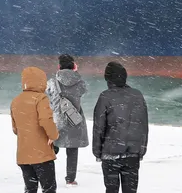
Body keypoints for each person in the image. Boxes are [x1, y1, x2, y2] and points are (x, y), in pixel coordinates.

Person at [92, 62, 148, 193]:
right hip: (132, 154)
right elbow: (143, 126)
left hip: (110, 154)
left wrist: (97, 151)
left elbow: (99, 127)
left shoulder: (105, 96)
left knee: (111, 189)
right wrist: (141, 149)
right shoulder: (137, 95)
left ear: (108, 78)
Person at [13, 66, 60, 193]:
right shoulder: (41, 98)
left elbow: (15, 129)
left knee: (30, 189)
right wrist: (54, 135)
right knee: (49, 188)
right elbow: (45, 120)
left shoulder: (16, 101)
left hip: (23, 155)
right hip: (41, 155)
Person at [46, 54, 88, 187]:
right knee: (72, 150)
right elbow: (83, 91)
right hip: (73, 119)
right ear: (74, 66)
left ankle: (47, 177)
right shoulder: (80, 82)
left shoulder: (52, 82)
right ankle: (70, 179)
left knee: (50, 149)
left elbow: (48, 94)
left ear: (59, 66)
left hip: (57, 120)